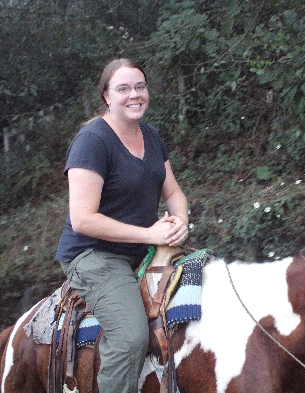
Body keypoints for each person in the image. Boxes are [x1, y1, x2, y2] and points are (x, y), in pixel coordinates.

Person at [55, 58, 189, 393]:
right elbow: (82, 219)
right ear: (106, 96)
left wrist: (180, 223)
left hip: (143, 249)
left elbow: (172, 191)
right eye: (123, 88)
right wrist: (149, 234)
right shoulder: (93, 141)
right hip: (94, 255)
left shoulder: (151, 135)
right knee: (130, 337)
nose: (135, 94)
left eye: (140, 86)